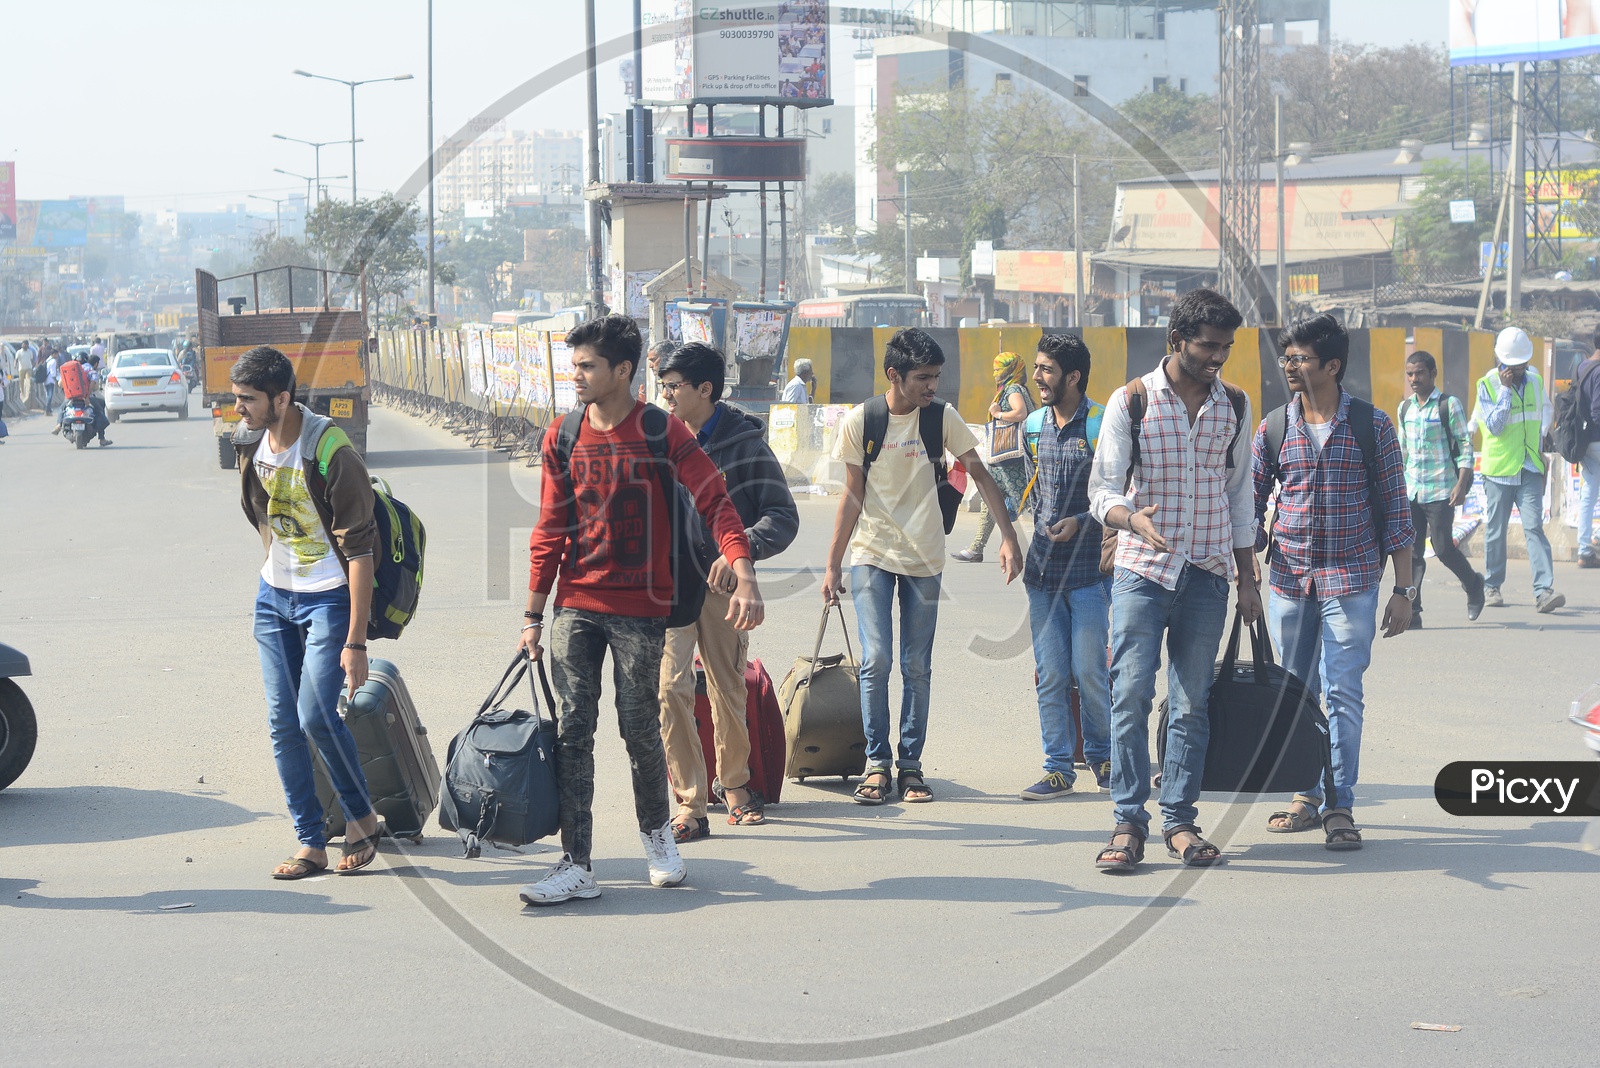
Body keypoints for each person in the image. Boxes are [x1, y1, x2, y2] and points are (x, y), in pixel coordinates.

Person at [518, 314, 764, 906]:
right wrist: (532, 615)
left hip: (642, 609)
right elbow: (549, 528)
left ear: (622, 371)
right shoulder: (563, 435)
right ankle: (575, 862)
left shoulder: (661, 432)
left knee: (639, 729)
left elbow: (715, 501)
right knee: (574, 733)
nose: (574, 375)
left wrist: (745, 571)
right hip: (574, 606)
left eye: (586, 365)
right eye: (573, 364)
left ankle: (658, 838)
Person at [1088, 288, 1261, 872]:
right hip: (1142, 572)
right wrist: (1131, 519)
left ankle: (1181, 823)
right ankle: (1127, 821)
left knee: (1190, 705)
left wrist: (1247, 580)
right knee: (1131, 696)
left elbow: (1240, 499)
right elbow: (1102, 491)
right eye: (1207, 346)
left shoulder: (1235, 406)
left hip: (1208, 573)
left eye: (1226, 348)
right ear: (1176, 341)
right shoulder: (1130, 401)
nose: (1217, 358)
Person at [823, 327, 1022, 805]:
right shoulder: (862, 421)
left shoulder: (941, 418)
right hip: (871, 553)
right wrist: (831, 566)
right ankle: (876, 764)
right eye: (923, 378)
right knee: (876, 661)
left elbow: (980, 472)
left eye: (936, 377)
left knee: (916, 665)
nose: (932, 386)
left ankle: (910, 766)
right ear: (895, 375)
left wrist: (1010, 537)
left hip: (925, 559)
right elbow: (851, 496)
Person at [1254, 314, 1415, 851]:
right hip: (1289, 581)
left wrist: (1404, 591)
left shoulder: (1373, 426)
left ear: (1332, 365)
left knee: (1344, 692)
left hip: (1352, 580)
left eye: (1299, 358)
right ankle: (1305, 795)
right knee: (1297, 694)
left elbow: (1397, 511)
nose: (1289, 367)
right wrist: (1241, 570)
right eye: (1287, 357)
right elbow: (1250, 503)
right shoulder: (1274, 426)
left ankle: (1340, 804)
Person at [228, 345, 383, 879]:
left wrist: (356, 640)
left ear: (282, 398)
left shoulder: (332, 450)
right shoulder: (251, 440)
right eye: (236, 398)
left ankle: (362, 817)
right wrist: (278, 566)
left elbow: (361, 550)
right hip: (274, 596)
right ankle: (309, 841)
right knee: (281, 721)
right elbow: (261, 511)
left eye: (247, 400)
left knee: (314, 715)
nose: (237, 409)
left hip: (330, 596)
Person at [656, 341, 799, 841]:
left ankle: (734, 786)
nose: (666, 396)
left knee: (726, 687)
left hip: (723, 588)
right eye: (664, 386)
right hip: (669, 589)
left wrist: (738, 554)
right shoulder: (659, 439)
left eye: (674, 387)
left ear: (705, 389)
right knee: (671, 689)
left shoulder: (746, 445)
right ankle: (690, 803)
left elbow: (782, 517)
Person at [1017, 334, 1112, 800]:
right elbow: (1028, 488)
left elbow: (1118, 495)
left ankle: (1103, 756)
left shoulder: (1100, 424)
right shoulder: (1032, 424)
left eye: (1047, 370)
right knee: (1051, 673)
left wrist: (1080, 521)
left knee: (1090, 670)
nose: (1037, 378)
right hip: (1042, 573)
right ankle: (1058, 767)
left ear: (1073, 376)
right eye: (1037, 368)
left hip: (1091, 574)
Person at [1471, 327, 1563, 613]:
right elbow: (1495, 427)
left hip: (1530, 466)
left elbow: (1545, 413)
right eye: (1513, 366)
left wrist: (1540, 443)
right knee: (1496, 532)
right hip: (1499, 470)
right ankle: (1492, 586)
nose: (1519, 370)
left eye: (1522, 364)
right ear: (1501, 362)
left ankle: (1544, 591)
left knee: (1534, 527)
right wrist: (1506, 390)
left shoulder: (1535, 381)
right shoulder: (1486, 385)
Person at [1398, 350, 1481, 623]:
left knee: (1443, 548)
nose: (1414, 378)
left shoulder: (1449, 405)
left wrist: (1461, 483)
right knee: (1412, 552)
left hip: (1441, 490)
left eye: (1420, 372)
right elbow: (1403, 451)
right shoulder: (1405, 408)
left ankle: (1473, 584)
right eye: (1410, 373)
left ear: (1433, 374)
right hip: (1412, 491)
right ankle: (1414, 611)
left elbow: (1465, 445)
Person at [953, 352, 1034, 563]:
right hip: (1003, 461)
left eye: (1000, 369)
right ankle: (976, 548)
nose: (995, 373)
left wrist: (998, 415)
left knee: (1030, 503)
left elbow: (1021, 413)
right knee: (990, 502)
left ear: (1011, 370)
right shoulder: (1013, 389)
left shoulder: (1013, 390)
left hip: (1012, 462)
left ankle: (1048, 547)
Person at [1575, 336, 1600, 569]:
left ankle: (1584, 549)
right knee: (1590, 493)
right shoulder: (1599, 371)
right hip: (1598, 438)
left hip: (1584, 441)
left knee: (1589, 493)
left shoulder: (1582, 366)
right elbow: (1597, 411)